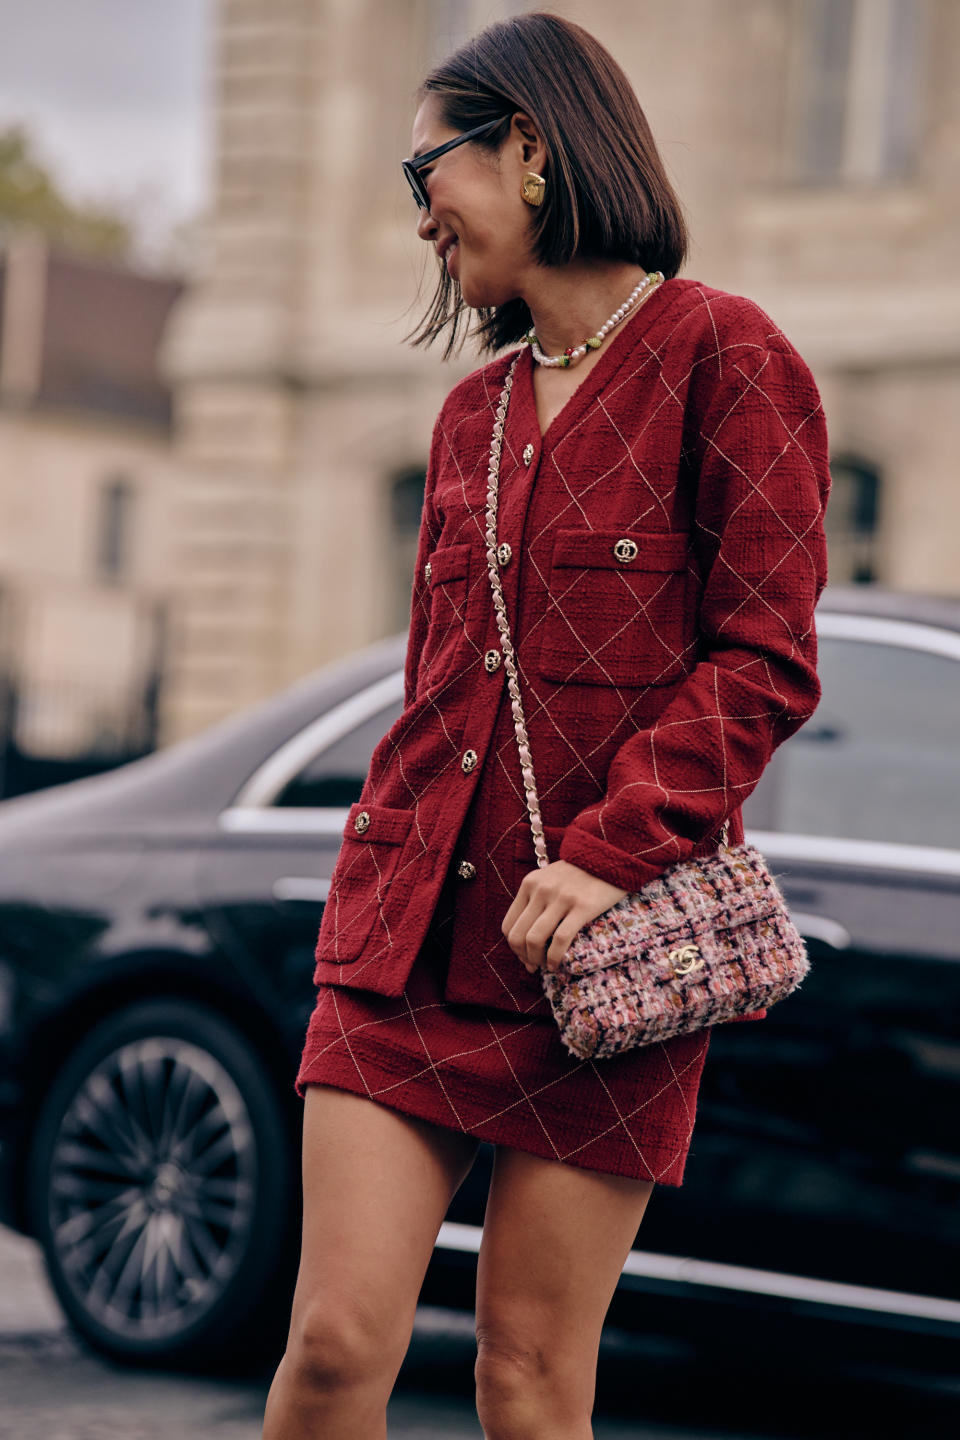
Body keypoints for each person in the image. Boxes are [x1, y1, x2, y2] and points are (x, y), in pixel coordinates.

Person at [262, 12, 830, 1439]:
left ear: (528, 149)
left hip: (601, 967)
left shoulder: (730, 358)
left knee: (526, 1376)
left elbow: (763, 661)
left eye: (423, 176)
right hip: (406, 941)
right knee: (332, 1344)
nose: (418, 221)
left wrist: (611, 854)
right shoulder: (469, 419)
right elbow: (434, 692)